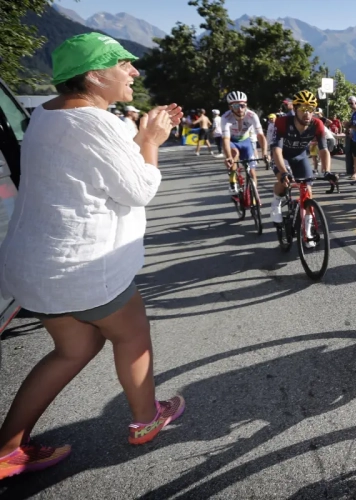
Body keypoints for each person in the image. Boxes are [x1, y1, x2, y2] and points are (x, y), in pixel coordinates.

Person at [0, 33, 185, 480]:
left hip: (36, 267)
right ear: (94, 75)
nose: (134, 72)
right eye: (123, 64)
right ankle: (147, 418)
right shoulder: (95, 123)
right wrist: (152, 140)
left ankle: (6, 449)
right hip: (82, 267)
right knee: (132, 334)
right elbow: (139, 189)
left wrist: (137, 135)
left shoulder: (47, 113)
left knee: (74, 347)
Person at [269, 90, 333, 237]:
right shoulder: (283, 122)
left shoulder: (317, 124)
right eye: (303, 109)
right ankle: (276, 202)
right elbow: (277, 150)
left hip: (300, 156)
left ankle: (308, 231)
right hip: (282, 156)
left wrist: (327, 171)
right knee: (284, 181)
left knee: (308, 192)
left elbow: (323, 150)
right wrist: (283, 172)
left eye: (310, 110)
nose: (307, 114)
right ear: (295, 109)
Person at [221, 91, 267, 197]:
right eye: (236, 106)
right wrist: (228, 157)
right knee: (234, 154)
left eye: (242, 105)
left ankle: (254, 194)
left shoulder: (252, 115)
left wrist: (264, 153)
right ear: (230, 107)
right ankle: (232, 181)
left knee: (252, 171)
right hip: (232, 141)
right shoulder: (225, 118)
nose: (240, 109)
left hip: (246, 141)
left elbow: (260, 135)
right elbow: (226, 140)